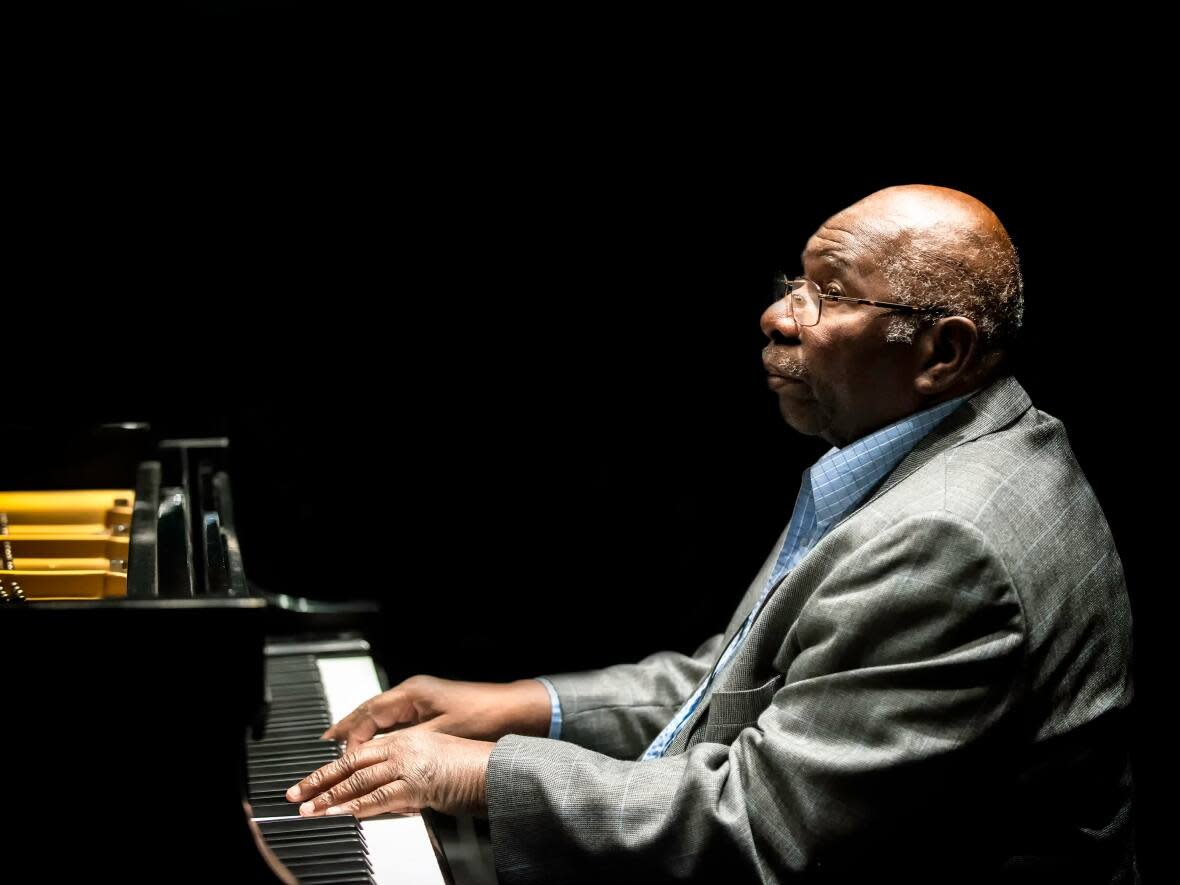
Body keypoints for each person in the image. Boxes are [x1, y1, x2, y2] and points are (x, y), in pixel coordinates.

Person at [285, 185, 1137, 882]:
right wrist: (521, 706)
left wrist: (479, 770)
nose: (779, 316)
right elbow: (739, 687)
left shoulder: (946, 540)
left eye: (829, 293)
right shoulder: (938, 456)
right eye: (793, 283)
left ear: (943, 353)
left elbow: (763, 827)